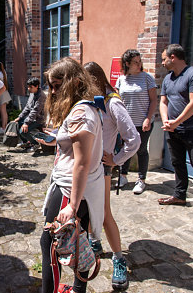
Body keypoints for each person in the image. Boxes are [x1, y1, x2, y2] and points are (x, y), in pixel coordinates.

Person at [38, 57, 105, 293]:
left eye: (58, 85)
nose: (54, 91)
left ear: (75, 83)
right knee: (81, 242)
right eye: (51, 86)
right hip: (79, 188)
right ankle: (78, 289)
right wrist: (58, 140)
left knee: (50, 245)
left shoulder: (80, 113)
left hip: (70, 190)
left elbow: (82, 163)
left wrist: (72, 206)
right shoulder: (85, 107)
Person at [84, 62, 140, 290]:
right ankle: (94, 243)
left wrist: (116, 160)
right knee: (86, 210)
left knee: (105, 214)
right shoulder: (92, 100)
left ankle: (118, 258)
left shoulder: (113, 103)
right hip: (85, 165)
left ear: (96, 80)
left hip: (102, 167)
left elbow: (134, 139)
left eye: (85, 83)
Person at [158, 44, 193, 223]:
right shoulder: (168, 78)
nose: (162, 62)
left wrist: (177, 122)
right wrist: (167, 121)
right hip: (173, 129)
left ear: (173, 57)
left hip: (192, 130)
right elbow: (163, 102)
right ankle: (179, 195)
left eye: (163, 58)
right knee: (177, 163)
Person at [115, 49, 157, 194]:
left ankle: (141, 179)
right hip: (126, 123)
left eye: (140, 61)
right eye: (135, 62)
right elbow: (117, 102)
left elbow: (153, 100)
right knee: (126, 149)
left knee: (141, 150)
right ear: (127, 63)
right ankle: (123, 175)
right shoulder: (121, 79)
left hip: (143, 123)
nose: (139, 64)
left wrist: (148, 118)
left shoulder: (147, 78)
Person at [14, 77, 46, 152]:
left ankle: (35, 144)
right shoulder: (32, 93)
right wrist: (19, 117)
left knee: (23, 131)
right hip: (32, 118)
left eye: (30, 87)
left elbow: (35, 111)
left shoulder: (41, 96)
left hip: (39, 120)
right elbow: (27, 107)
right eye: (28, 86)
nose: (28, 89)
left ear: (37, 86)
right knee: (18, 123)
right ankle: (27, 142)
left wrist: (26, 123)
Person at [0, 60, 12, 135]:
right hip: (5, 93)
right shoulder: (3, 72)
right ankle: (4, 127)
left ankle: (4, 127)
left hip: (2, 93)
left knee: (3, 112)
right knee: (4, 111)